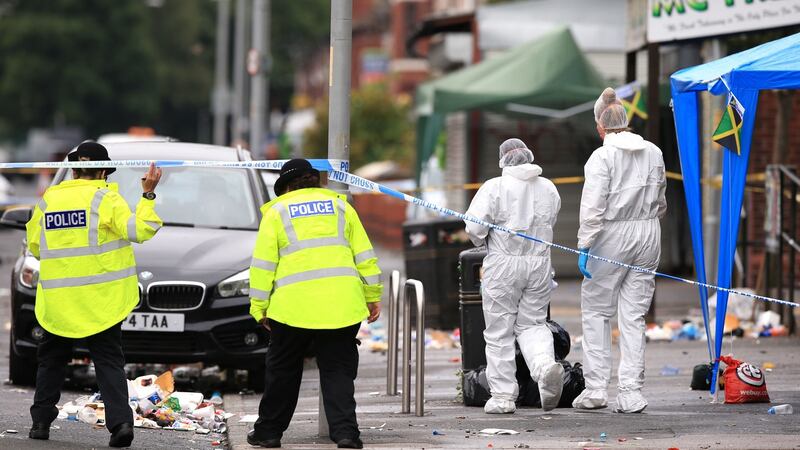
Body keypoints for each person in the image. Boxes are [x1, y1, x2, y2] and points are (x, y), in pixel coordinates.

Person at [26, 142, 163, 447]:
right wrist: (149, 194)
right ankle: (121, 425)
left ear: (74, 170)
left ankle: (40, 423)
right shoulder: (106, 198)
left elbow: (35, 245)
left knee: (51, 362)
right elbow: (141, 230)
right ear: (102, 170)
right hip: (101, 303)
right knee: (108, 363)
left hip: (59, 302)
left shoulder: (49, 200)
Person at [247, 159, 382, 449]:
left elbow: (262, 266)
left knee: (283, 371)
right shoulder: (343, 207)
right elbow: (365, 257)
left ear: (284, 188)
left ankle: (268, 433)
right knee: (338, 372)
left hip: (291, 308)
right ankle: (346, 434)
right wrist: (372, 296)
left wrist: (259, 306)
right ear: (316, 181)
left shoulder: (277, 212)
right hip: (342, 306)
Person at [573, 87, 667, 413]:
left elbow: (593, 207)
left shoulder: (601, 157)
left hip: (612, 234)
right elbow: (661, 199)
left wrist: (585, 244)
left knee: (598, 311)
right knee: (634, 315)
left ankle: (597, 388)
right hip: (648, 232)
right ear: (626, 122)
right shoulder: (653, 152)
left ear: (601, 126)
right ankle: (631, 392)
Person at [464, 138, 563, 414]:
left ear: (503, 159)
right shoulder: (548, 187)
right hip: (540, 263)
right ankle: (544, 367)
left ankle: (503, 396)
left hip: (504, 264)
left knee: (499, 331)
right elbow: (551, 220)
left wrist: (484, 237)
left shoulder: (494, 187)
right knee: (532, 324)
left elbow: (474, 229)